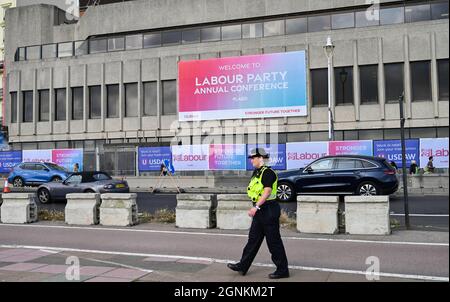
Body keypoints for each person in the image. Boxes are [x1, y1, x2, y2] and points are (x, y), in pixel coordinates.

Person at [227, 148, 289, 279]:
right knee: (253, 240)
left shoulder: (268, 172)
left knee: (273, 241)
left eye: (253, 158)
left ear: (260, 158)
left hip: (268, 209)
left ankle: (282, 270)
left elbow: (267, 192)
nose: (251, 160)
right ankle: (243, 266)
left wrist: (256, 207)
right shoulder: (257, 172)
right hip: (261, 210)